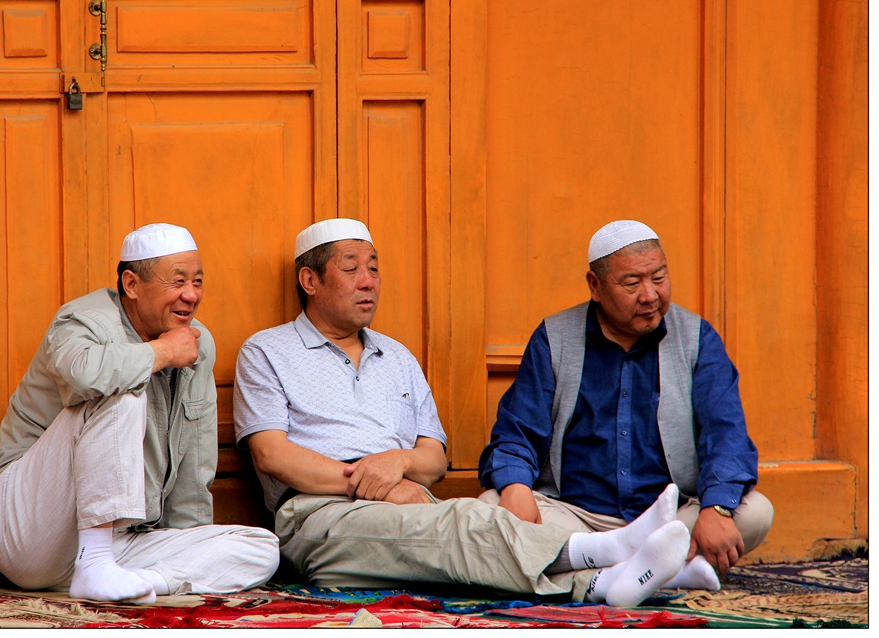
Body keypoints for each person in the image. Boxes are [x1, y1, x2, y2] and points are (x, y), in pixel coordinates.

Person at [233, 218, 695, 607]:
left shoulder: (396, 357)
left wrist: (402, 465)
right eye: (351, 269)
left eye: (373, 268)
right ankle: (614, 551)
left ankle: (604, 582)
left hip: (413, 505)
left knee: (463, 539)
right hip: (318, 518)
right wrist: (379, 488)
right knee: (467, 525)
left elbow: (433, 458)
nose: (368, 280)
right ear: (310, 281)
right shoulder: (268, 351)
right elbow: (273, 456)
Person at [0, 223, 279, 604]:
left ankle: (137, 581)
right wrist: (162, 353)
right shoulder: (83, 320)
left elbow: (194, 465)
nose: (191, 294)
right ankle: (97, 564)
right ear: (132, 285)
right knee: (121, 392)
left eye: (197, 281)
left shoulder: (196, 342)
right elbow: (84, 375)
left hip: (123, 541)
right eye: (178, 281)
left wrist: (188, 543)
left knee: (260, 548)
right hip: (24, 528)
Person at [478, 219, 774, 591]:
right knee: (491, 508)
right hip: (575, 515)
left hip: (669, 514)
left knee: (756, 512)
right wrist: (516, 487)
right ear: (595, 286)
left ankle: (598, 571)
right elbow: (517, 430)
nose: (650, 295)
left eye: (659, 278)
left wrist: (715, 508)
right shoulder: (554, 338)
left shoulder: (697, 338)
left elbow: (726, 435)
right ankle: (657, 571)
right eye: (632, 283)